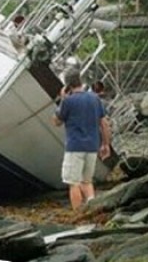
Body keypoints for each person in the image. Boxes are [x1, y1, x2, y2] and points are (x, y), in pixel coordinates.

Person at [53, 71, 111, 210]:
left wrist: (62, 100)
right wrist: (106, 144)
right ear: (80, 81)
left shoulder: (68, 101)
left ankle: (78, 214)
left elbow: (57, 122)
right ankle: (93, 209)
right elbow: (104, 124)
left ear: (67, 85)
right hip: (92, 146)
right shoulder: (94, 98)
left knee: (73, 183)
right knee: (87, 181)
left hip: (74, 147)